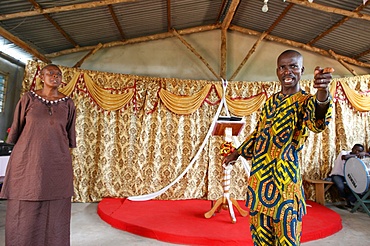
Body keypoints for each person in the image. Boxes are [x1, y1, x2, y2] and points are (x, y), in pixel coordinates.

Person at [223, 50, 334, 246]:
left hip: (286, 188)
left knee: (287, 242)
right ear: (277, 71)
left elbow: (317, 122)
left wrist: (323, 92)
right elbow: (258, 135)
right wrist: (237, 152)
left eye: (293, 66)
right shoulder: (270, 102)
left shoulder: (306, 101)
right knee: (260, 241)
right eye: (282, 67)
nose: (287, 72)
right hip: (259, 186)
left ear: (302, 70)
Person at [0, 64, 76, 246]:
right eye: (50, 73)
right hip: (28, 159)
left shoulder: (68, 103)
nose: (55, 77)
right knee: (23, 202)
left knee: (56, 207)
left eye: (58, 74)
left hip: (57, 162)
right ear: (42, 77)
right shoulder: (28, 98)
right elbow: (16, 130)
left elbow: (69, 134)